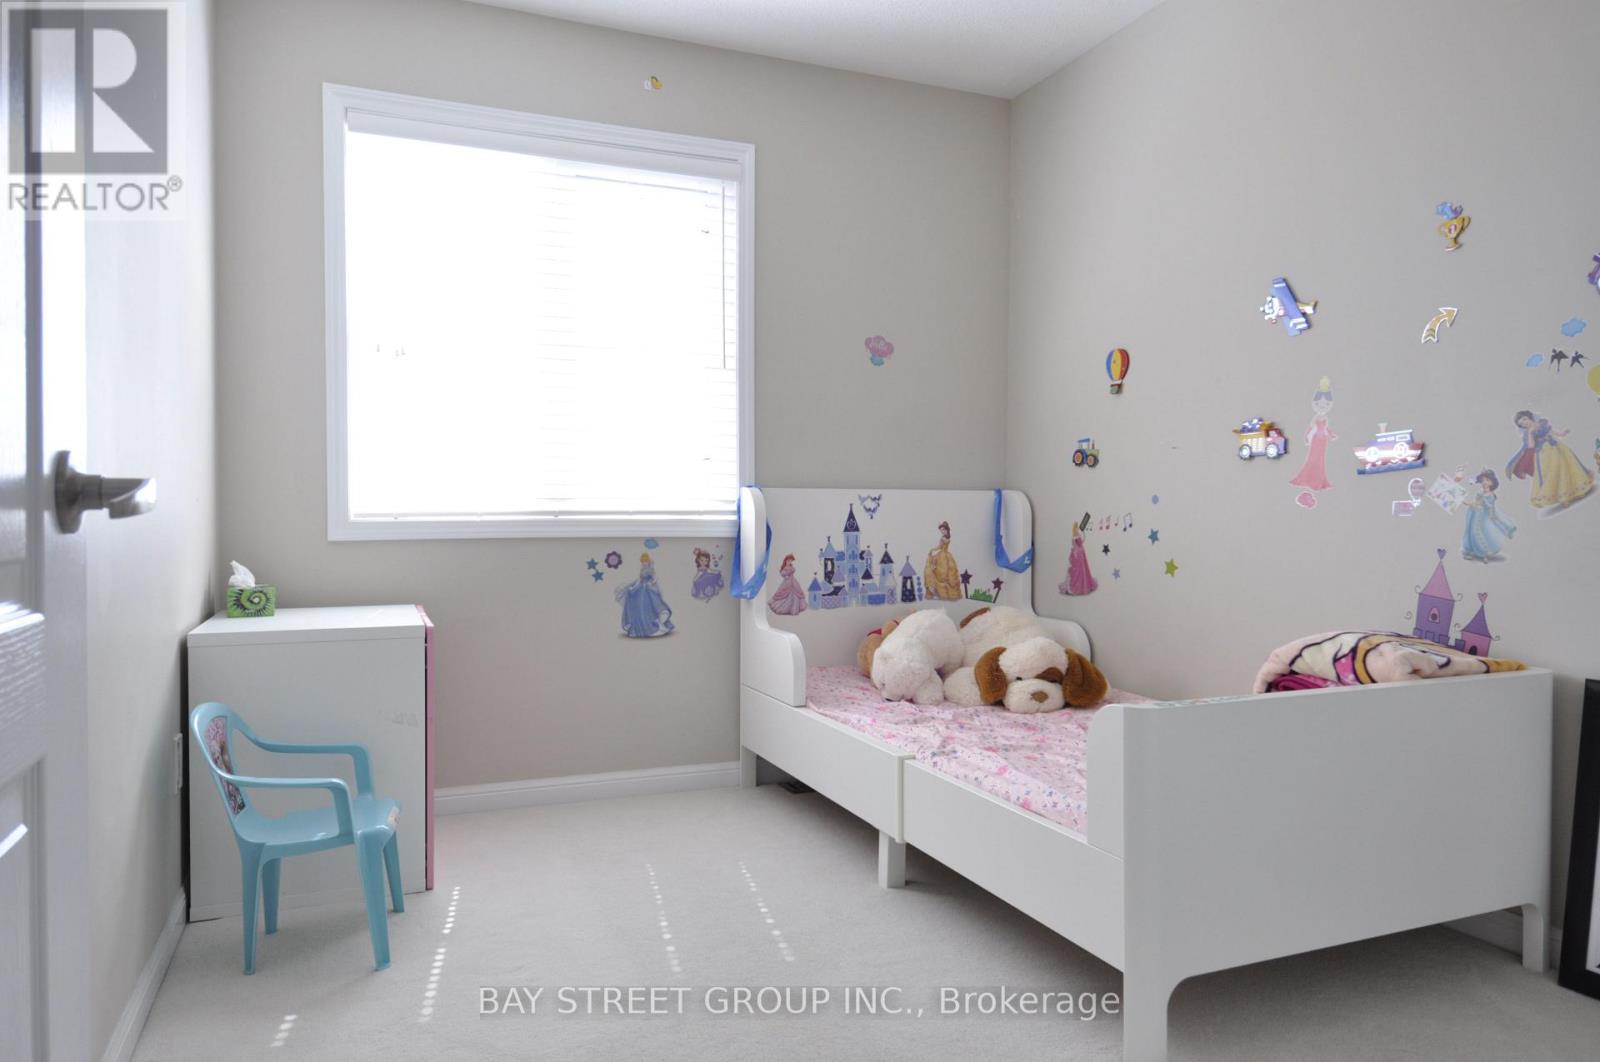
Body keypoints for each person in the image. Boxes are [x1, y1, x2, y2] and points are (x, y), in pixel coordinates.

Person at [1505, 410, 1595, 511]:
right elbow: (1531, 446)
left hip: (1556, 447)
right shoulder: (1527, 433)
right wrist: (1530, 433)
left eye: (1525, 419)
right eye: (1521, 424)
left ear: (1529, 417)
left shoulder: (1542, 423)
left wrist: (1562, 433)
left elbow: (1551, 432)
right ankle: (1563, 497)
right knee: (1553, 473)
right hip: (1544, 453)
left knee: (1567, 466)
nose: (1524, 423)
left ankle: (1576, 490)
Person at [1289, 377, 1336, 493]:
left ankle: (1319, 480)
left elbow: (1326, 428)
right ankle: (1308, 478)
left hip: (1323, 441)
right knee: (1312, 459)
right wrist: (1306, 437)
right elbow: (1311, 428)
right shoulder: (1316, 417)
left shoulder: (1325, 417)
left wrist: (1331, 434)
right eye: (1319, 403)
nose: (1322, 406)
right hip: (1316, 440)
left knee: (1321, 460)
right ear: (1315, 403)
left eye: (1326, 404)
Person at [1460, 470, 1516, 562]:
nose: (1484, 482)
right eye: (1482, 480)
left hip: (1483, 517)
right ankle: (1469, 551)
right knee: (1471, 532)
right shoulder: (1480, 493)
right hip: (1475, 515)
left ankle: (1483, 553)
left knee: (1483, 533)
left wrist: (1492, 517)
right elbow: (1475, 502)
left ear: (1492, 482)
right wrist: (1466, 502)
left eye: (1487, 480)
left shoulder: (1491, 495)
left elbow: (1490, 508)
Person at [616, 553, 675, 637]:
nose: (644, 563)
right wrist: (633, 588)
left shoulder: (651, 569)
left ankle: (655, 626)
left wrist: (651, 583)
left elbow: (655, 578)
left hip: (647, 590)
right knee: (638, 606)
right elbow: (639, 581)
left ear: (648, 561)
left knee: (649, 607)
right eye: (642, 561)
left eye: (645, 561)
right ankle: (640, 629)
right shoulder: (642, 570)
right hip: (641, 589)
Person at [923, 521, 962, 600]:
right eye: (941, 530)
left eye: (943, 530)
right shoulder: (945, 537)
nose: (942, 531)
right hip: (943, 554)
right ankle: (936, 591)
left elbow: (940, 547)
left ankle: (941, 592)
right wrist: (933, 549)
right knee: (937, 571)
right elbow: (940, 547)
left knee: (942, 572)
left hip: (943, 556)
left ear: (946, 529)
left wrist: (933, 549)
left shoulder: (944, 538)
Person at [1058, 523, 1098, 595]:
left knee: (1081, 570)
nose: (1077, 529)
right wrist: (1082, 535)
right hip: (1078, 554)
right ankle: (1076, 587)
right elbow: (1080, 542)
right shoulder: (1076, 536)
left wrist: (1082, 535)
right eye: (1076, 528)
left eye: (1077, 528)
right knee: (1079, 570)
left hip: (1077, 553)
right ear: (1075, 528)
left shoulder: (1075, 535)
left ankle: (1081, 586)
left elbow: (1079, 543)